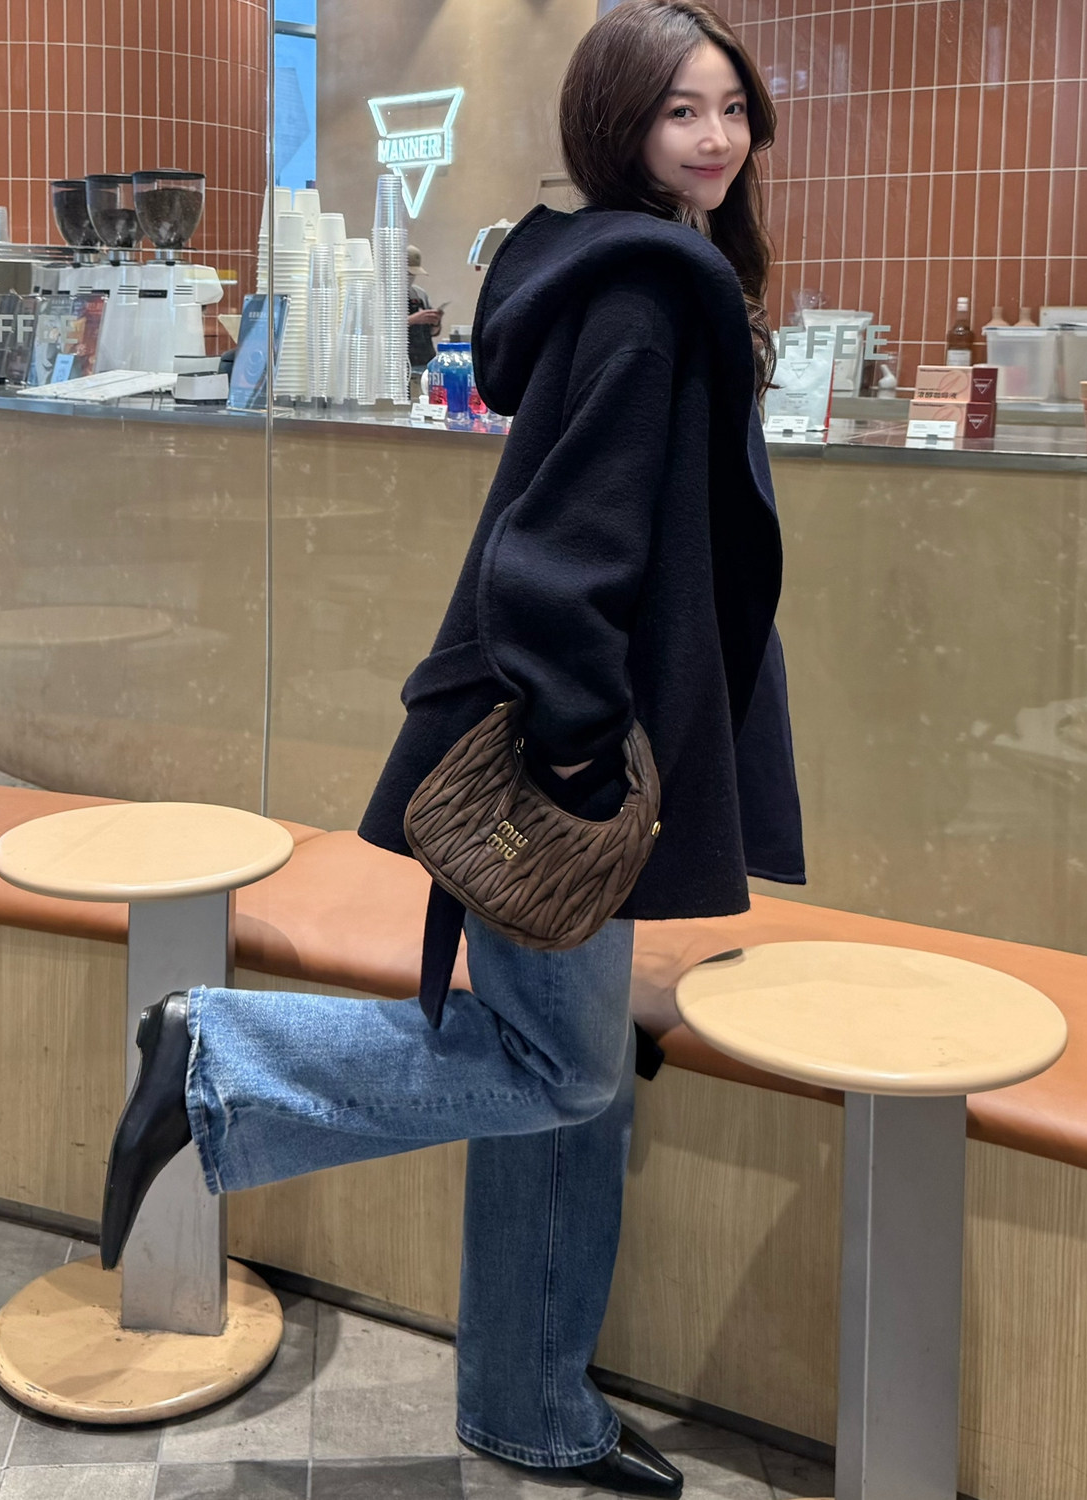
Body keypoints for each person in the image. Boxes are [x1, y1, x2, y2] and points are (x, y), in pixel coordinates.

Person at [99, 3, 803, 1494]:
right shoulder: (646, 294)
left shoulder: (635, 270)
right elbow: (557, 556)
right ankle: (215, 1056)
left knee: (573, 1086)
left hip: (594, 742)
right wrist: (581, 762)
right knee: (562, 1075)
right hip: (568, 757)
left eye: (733, 107)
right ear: (619, 124)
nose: (717, 137)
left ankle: (527, 1401)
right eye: (681, 110)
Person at [407, 243, 443, 378]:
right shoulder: (381, 295)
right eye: (408, 273)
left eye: (413, 274)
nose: (410, 277)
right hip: (402, 364)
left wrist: (435, 322)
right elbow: (379, 330)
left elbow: (433, 332)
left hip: (425, 361)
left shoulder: (420, 294)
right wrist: (413, 320)